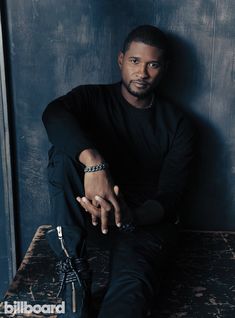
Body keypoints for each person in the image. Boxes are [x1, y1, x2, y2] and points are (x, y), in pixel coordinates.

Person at [42, 25, 194, 318]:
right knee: (63, 154)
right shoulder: (91, 99)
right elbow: (53, 114)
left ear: (164, 69)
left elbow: (171, 197)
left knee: (129, 295)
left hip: (142, 223)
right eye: (135, 61)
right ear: (121, 60)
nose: (142, 72)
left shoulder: (178, 124)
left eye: (153, 64)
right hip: (91, 219)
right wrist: (94, 161)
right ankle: (73, 273)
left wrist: (128, 215)